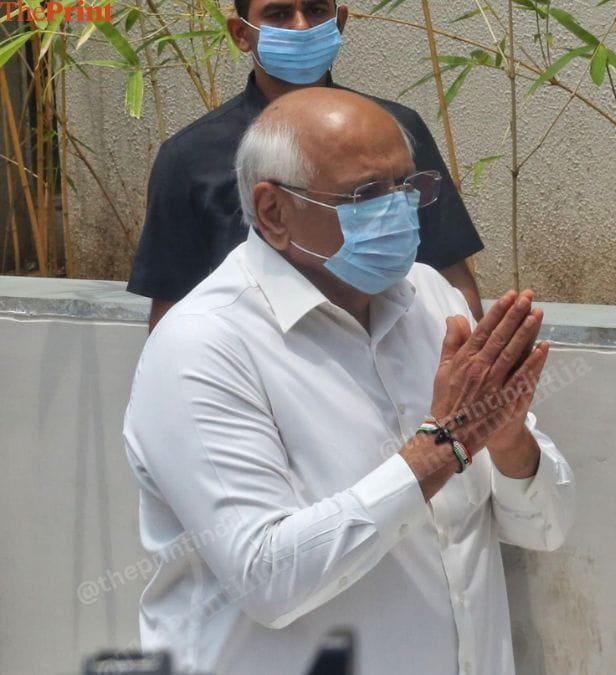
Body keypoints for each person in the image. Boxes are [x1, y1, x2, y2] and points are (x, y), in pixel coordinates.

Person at [123, 88, 574, 675]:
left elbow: (544, 527)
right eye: (366, 194)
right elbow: (267, 579)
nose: (399, 210)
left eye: (407, 186)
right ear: (273, 211)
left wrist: (509, 439)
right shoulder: (203, 344)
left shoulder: (432, 298)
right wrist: (443, 446)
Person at [127, 0, 485, 331]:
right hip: (264, 362)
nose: (301, 26)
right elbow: (171, 314)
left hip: (399, 348)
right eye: (279, 14)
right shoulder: (190, 156)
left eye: (315, 10)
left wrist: (465, 357)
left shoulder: (392, 132)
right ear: (241, 33)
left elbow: (451, 276)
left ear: (339, 23)